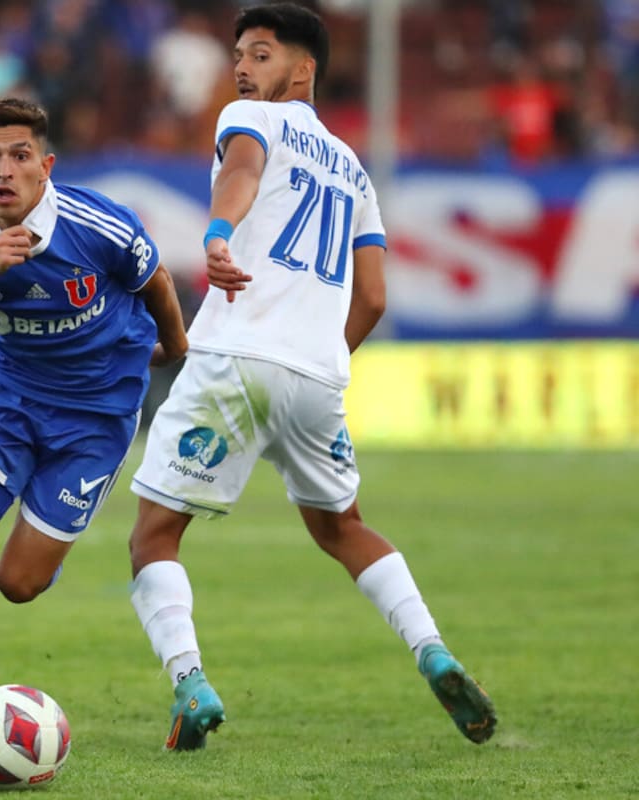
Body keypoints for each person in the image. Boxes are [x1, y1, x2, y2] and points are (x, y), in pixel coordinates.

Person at [126, 3, 497, 751]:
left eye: (260, 55)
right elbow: (377, 297)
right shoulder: (355, 169)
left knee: (154, 537)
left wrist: (219, 234)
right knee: (343, 527)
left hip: (236, 358)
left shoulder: (250, 119)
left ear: (302, 70)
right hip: (317, 376)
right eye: (238, 54)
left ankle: (190, 683)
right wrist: (323, 361)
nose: (240, 67)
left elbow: (241, 172)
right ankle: (433, 650)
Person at [0, 97, 189, 755]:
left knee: (17, 585)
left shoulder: (98, 223)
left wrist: (176, 350)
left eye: (21, 156)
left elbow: (158, 282)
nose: (6, 170)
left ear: (46, 165)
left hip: (95, 417)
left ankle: (42, 532)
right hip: (9, 404)